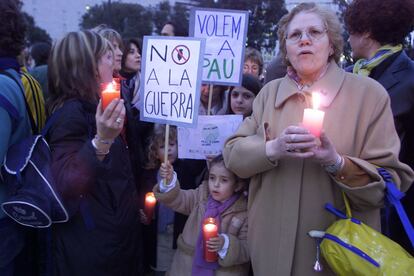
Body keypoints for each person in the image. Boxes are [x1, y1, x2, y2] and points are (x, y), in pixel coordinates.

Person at [223, 3, 414, 275]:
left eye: (314, 31)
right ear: (286, 49)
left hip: (337, 253)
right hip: (268, 247)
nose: (304, 39)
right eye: (294, 35)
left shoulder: (370, 96)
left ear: (332, 44)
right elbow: (233, 154)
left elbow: (389, 182)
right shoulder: (268, 94)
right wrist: (273, 148)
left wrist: (336, 163)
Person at [46, 30, 142, 275]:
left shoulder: (93, 107)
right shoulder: (71, 114)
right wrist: (101, 142)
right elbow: (67, 182)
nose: (114, 61)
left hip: (110, 236)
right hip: (92, 246)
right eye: (107, 56)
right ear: (87, 67)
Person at [344, 0, 414, 254]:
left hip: (392, 209)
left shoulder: (410, 79)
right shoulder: (348, 74)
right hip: (344, 194)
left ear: (367, 32)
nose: (347, 37)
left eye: (351, 29)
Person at [153, 154, 249, 275]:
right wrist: (170, 180)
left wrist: (225, 244)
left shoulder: (243, 212)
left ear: (238, 185)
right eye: (212, 178)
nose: (216, 184)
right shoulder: (200, 197)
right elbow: (179, 199)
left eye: (224, 180)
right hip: (185, 268)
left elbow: (248, 249)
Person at [120, 38, 141, 106]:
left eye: (138, 52)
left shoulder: (146, 83)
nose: (138, 55)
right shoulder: (113, 83)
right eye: (132, 52)